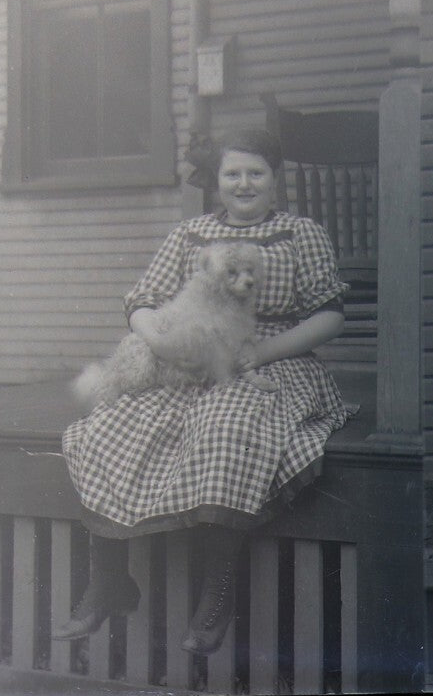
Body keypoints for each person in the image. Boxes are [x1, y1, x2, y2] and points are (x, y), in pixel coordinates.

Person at [56, 128, 351, 655]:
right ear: (217, 180)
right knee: (108, 425)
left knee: (224, 427)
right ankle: (109, 579)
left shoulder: (300, 233)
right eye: (232, 173)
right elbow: (142, 300)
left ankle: (217, 594)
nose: (244, 184)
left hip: (271, 362)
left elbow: (330, 317)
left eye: (256, 173)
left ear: (276, 179)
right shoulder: (190, 235)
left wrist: (263, 352)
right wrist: (158, 341)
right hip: (188, 362)